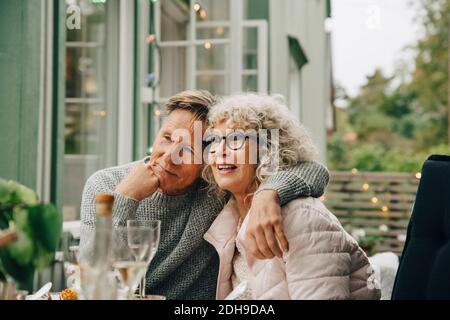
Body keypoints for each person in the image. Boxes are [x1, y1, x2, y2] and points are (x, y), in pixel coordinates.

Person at [80, 90, 330, 299]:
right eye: (167, 138)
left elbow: (314, 170)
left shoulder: (215, 188)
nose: (169, 157)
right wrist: (125, 197)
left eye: (189, 149)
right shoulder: (106, 184)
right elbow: (89, 277)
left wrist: (269, 193)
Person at [203, 93, 381, 299]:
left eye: (236, 139)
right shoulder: (227, 217)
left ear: (267, 150)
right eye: (215, 140)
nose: (220, 151)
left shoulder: (303, 218)